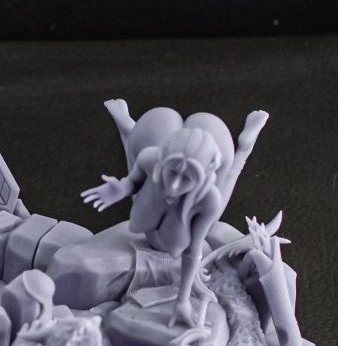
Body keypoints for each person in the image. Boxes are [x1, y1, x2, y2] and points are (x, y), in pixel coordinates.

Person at [81, 99, 268, 326]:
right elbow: (133, 179)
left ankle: (243, 149)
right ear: (164, 158)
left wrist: (183, 299)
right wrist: (121, 188)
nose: (176, 185)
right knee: (139, 163)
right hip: (153, 196)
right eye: (173, 172)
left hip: (187, 220)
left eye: (186, 178)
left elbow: (192, 251)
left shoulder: (208, 199)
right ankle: (127, 127)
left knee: (220, 192)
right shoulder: (152, 158)